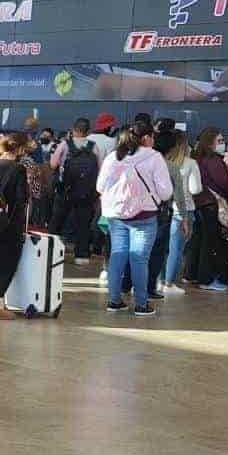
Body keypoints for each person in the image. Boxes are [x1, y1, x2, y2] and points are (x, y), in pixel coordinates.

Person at [97, 121, 172, 316]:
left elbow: (100, 186)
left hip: (117, 215)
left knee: (117, 256)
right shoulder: (154, 157)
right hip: (144, 216)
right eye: (152, 136)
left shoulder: (114, 157)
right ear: (146, 138)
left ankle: (114, 301)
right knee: (139, 259)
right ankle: (141, 304)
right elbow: (165, 192)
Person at [190, 127, 228, 291]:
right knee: (211, 243)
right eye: (220, 141)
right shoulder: (214, 160)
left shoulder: (197, 158)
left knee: (199, 241)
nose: (223, 144)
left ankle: (192, 274)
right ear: (210, 143)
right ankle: (207, 279)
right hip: (212, 204)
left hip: (199, 203)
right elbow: (225, 183)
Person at [0, 133, 31, 320]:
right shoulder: (18, 169)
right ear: (19, 148)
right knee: (8, 262)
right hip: (10, 222)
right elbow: (21, 198)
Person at [50, 118, 100, 262]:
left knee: (57, 221)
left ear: (73, 130)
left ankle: (50, 251)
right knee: (83, 224)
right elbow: (100, 168)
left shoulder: (64, 144)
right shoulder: (94, 146)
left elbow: (53, 164)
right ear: (88, 131)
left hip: (65, 190)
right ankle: (81, 256)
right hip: (86, 192)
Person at [160, 130, 200, 295]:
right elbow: (195, 189)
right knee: (176, 250)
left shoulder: (162, 162)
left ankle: (159, 280)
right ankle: (169, 283)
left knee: (162, 248)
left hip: (164, 210)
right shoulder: (190, 163)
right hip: (184, 209)